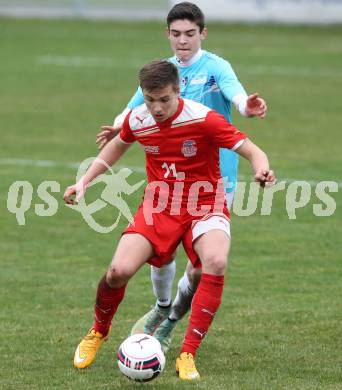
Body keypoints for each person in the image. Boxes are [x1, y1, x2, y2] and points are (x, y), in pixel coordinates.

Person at [65, 60, 274, 380]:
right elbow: (116, 146)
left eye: (164, 99)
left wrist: (261, 168)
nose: (157, 107)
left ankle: (188, 354)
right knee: (118, 270)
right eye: (150, 100)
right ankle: (98, 331)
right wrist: (84, 181)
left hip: (205, 202)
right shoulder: (139, 119)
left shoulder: (204, 119)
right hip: (159, 205)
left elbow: (252, 150)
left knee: (215, 262)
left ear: (178, 91)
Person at [95, 2, 268, 354]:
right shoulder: (163, 72)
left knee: (200, 270)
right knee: (161, 249)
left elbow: (236, 94)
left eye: (190, 33)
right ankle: (162, 309)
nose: (183, 41)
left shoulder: (216, 66)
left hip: (215, 179)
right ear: (168, 35)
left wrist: (246, 106)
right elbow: (133, 108)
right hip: (172, 181)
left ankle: (172, 318)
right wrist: (119, 124)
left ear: (202, 34)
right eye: (176, 34)